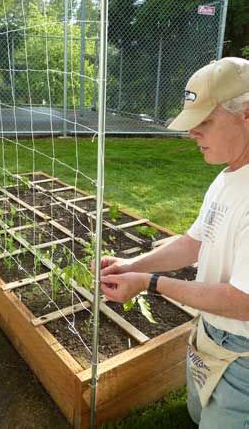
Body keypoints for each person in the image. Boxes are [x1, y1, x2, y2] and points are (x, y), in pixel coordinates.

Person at [98, 57, 249, 428]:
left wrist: (150, 284)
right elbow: (193, 242)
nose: (192, 132)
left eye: (205, 121)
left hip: (243, 354)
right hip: (212, 332)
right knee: (198, 414)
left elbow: (243, 303)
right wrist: (132, 265)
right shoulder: (230, 176)